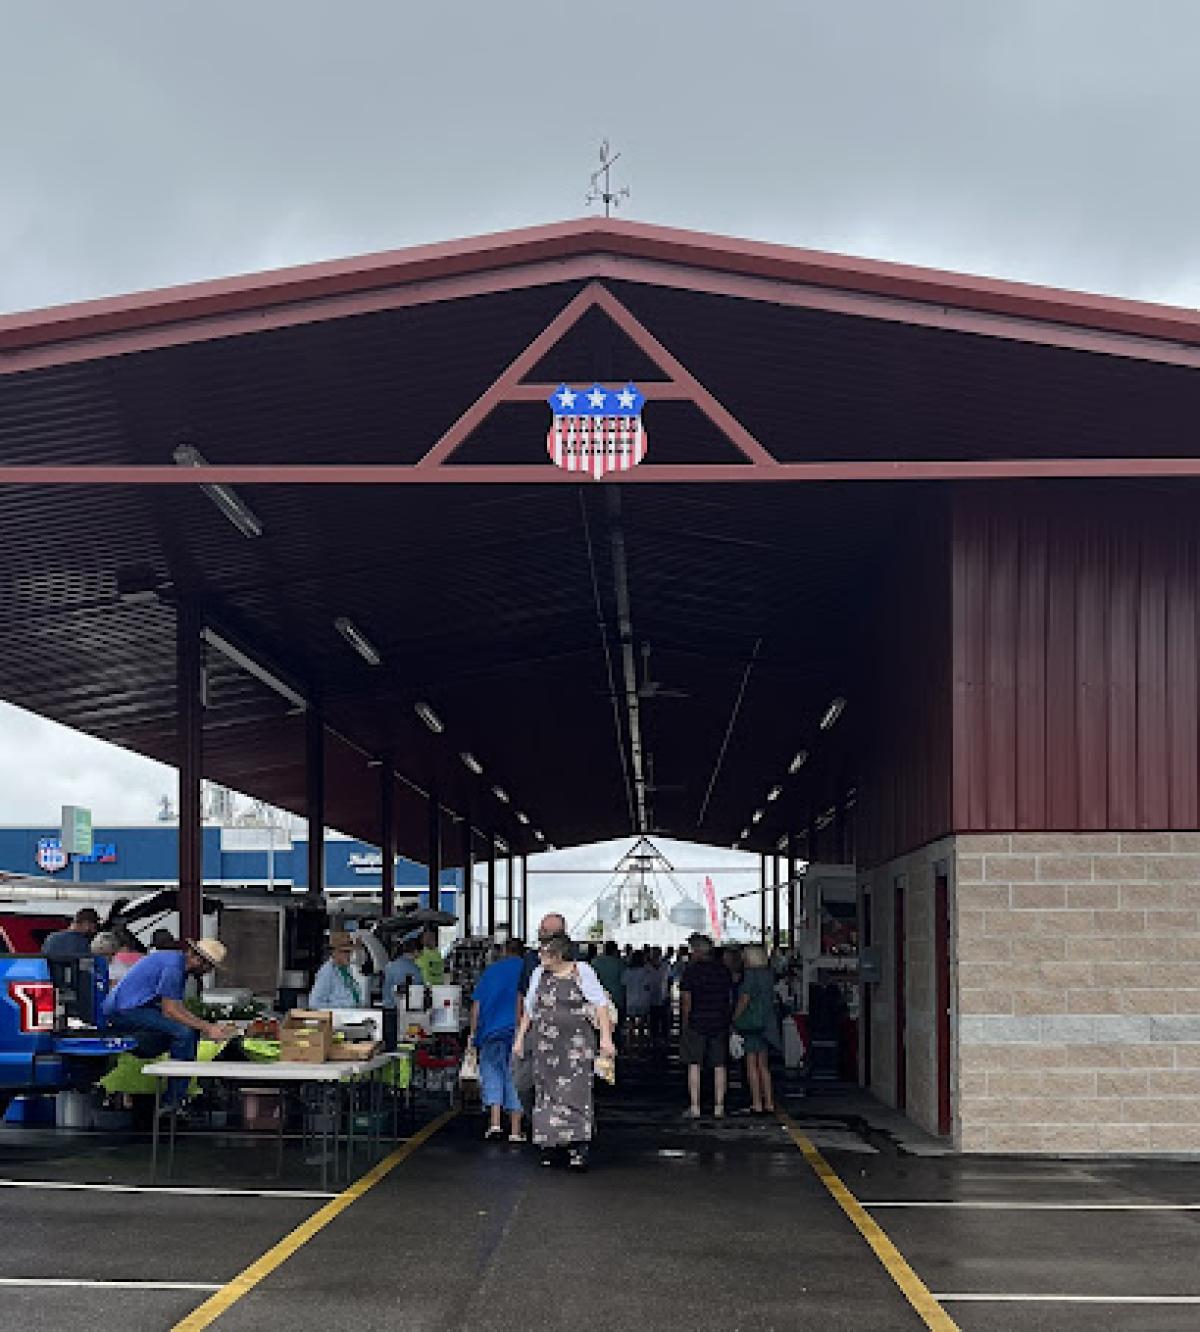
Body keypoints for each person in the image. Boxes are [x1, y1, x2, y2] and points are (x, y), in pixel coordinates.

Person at [514, 931, 615, 1171]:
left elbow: (600, 1004)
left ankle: (577, 1148)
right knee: (546, 1092)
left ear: (558, 954)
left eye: (545, 952)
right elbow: (530, 1009)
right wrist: (520, 1039)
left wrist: (606, 1039)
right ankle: (549, 1145)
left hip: (576, 1046)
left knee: (576, 1092)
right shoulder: (539, 974)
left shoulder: (582, 971)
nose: (540, 956)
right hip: (545, 1045)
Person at [103, 938, 233, 1112]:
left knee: (187, 1031)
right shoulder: (174, 968)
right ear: (198, 960)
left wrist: (205, 1026)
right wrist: (208, 1028)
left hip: (132, 1007)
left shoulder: (174, 962)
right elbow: (170, 1010)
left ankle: (176, 1096)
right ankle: (174, 1101)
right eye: (209, 967)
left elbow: (177, 1008)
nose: (208, 972)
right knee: (184, 1033)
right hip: (125, 1010)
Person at [468, 937, 526, 1142]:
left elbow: (477, 1006)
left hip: (490, 1031)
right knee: (515, 1076)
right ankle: (516, 1131)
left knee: (492, 1073)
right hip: (518, 1031)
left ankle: (495, 1123)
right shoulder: (527, 970)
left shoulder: (491, 971)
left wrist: (473, 1033)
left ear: (504, 951)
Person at [680, 933, 734, 1120]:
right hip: (719, 1021)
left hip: (697, 1021)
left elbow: (686, 1001)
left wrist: (684, 1023)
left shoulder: (691, 972)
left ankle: (695, 1107)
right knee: (720, 1065)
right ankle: (719, 1107)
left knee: (694, 1064)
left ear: (696, 951)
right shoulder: (723, 971)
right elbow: (729, 997)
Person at [733, 945, 782, 1114]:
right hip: (766, 1022)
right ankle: (769, 1102)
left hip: (751, 1023)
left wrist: (734, 1017)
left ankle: (756, 1102)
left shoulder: (750, 976)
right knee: (763, 1065)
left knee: (751, 1065)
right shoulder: (768, 975)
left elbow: (744, 999)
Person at [310, 933, 365, 1008]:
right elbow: (314, 1004)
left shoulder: (347, 970)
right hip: (338, 1017)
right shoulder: (327, 972)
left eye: (350, 952)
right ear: (334, 953)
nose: (349, 955)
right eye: (344, 952)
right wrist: (340, 1008)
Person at [621, 950, 654, 1052]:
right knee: (642, 1026)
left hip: (631, 1000)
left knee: (630, 1025)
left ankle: (629, 1045)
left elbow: (623, 984)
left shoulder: (627, 971)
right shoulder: (646, 971)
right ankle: (641, 1046)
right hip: (643, 1000)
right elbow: (648, 986)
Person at [380, 936, 423, 1008]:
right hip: (406, 1010)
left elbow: (385, 987)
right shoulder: (415, 970)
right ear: (416, 951)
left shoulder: (389, 966)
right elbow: (418, 991)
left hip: (388, 1008)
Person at [646, 946, 670, 1053]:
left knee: (663, 1020)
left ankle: (662, 1039)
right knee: (654, 1021)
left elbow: (669, 980)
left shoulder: (665, 966)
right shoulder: (647, 967)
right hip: (652, 998)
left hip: (662, 997)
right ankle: (655, 1039)